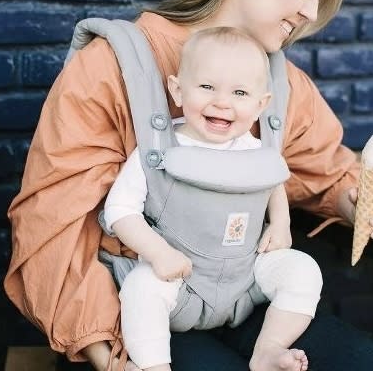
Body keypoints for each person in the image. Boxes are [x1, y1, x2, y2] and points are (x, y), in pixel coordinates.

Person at [4, 0, 373, 371]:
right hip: (132, 310)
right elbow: (53, 229)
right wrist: (111, 360)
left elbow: (324, 171)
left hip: (241, 291)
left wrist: (359, 202)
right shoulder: (109, 67)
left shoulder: (282, 82)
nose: (312, 13)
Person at [99, 26, 322, 371]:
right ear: (177, 90)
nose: (222, 102)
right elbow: (120, 211)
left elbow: (274, 181)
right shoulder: (158, 150)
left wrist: (281, 222)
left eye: (240, 92)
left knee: (304, 269)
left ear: (261, 104)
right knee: (141, 287)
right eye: (206, 87)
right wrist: (158, 253)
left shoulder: (255, 149)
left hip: (245, 277)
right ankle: (154, 366)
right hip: (180, 284)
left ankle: (269, 348)